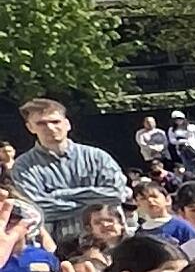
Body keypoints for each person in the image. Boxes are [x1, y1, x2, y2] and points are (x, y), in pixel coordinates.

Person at [9, 96, 129, 236]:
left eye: (55, 121)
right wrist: (92, 203)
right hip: (60, 245)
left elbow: (116, 194)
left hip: (107, 239)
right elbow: (38, 209)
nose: (50, 127)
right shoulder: (23, 167)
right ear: (30, 127)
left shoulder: (98, 157)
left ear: (67, 124)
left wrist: (59, 195)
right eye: (41, 123)